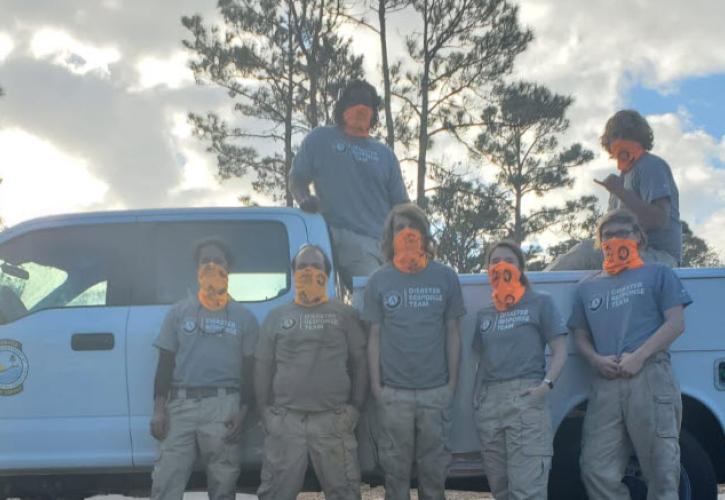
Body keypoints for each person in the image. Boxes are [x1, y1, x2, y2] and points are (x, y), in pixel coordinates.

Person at [569, 209, 692, 500]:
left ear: (638, 236)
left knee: (662, 469)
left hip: (650, 375)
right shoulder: (586, 287)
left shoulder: (658, 273)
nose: (615, 238)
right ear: (600, 243)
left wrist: (639, 355)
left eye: (623, 232)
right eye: (608, 235)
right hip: (606, 383)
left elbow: (676, 323)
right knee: (595, 468)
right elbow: (580, 335)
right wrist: (595, 360)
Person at [363, 203, 465, 500]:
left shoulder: (445, 277)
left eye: (414, 227)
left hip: (436, 392)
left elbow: (453, 333)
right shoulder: (378, 281)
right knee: (395, 477)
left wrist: (451, 386)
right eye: (399, 228)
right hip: (394, 394)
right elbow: (373, 337)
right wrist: (377, 388)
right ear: (390, 236)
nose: (407, 233)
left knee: (434, 477)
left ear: (423, 233)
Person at [254, 244, 368, 500]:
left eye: (315, 265)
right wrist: (264, 410)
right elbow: (262, 365)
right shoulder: (276, 316)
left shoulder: (345, 314)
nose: (308, 270)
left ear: (326, 274)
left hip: (333, 421)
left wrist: (355, 408)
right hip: (286, 421)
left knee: (345, 493)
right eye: (302, 266)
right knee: (275, 494)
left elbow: (361, 361)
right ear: (293, 273)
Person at [149, 238, 259, 500]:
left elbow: (250, 372)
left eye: (218, 260)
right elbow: (165, 363)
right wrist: (159, 410)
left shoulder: (244, 318)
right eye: (204, 261)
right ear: (197, 269)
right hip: (180, 407)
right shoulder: (178, 313)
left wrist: (243, 413)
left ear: (228, 268)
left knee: (223, 485)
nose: (211, 265)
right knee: (165, 483)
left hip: (224, 407)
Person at [289, 80, 409, 289]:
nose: (361, 108)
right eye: (354, 102)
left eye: (367, 104)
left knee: (399, 298)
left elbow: (401, 206)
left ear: (374, 113)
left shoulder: (385, 154)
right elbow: (297, 179)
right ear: (342, 108)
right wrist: (304, 200)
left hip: (386, 245)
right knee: (378, 293)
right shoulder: (321, 139)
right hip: (346, 236)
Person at [472, 240, 568, 500]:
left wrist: (544, 387)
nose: (501, 265)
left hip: (526, 399)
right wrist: (477, 396)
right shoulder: (485, 314)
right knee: (501, 489)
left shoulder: (539, 302)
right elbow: (483, 359)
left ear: (521, 268)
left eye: (509, 260)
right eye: (494, 261)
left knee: (527, 491)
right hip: (490, 404)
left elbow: (561, 350)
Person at [547, 109, 681, 270]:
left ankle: (529, 291)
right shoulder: (623, 178)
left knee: (585, 254)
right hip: (625, 253)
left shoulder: (651, 165)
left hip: (659, 257)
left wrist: (620, 191)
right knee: (582, 255)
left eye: (624, 141)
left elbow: (659, 219)